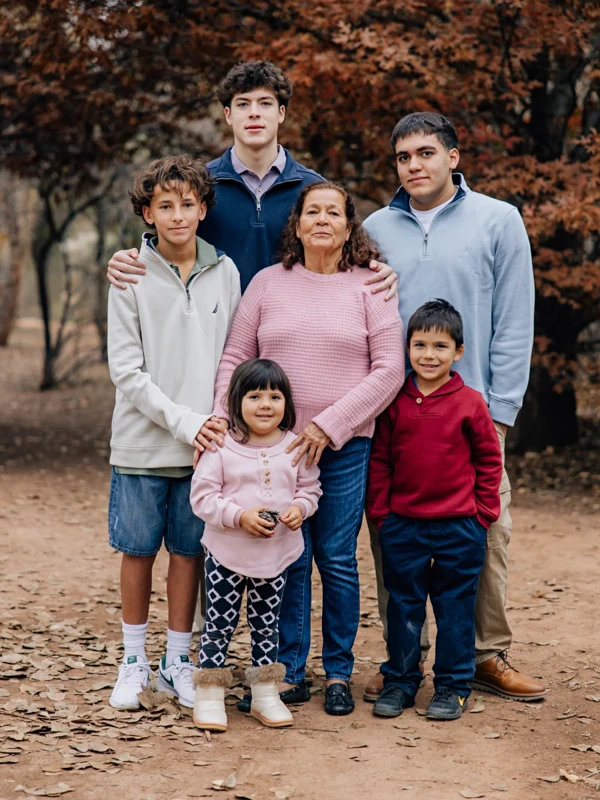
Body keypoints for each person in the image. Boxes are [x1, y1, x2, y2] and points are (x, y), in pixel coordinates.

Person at [363, 111, 547, 702]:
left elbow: (516, 320)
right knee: (394, 537)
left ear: (453, 157)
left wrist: (499, 411)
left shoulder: (499, 220)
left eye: (425, 153)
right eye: (403, 157)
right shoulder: (373, 229)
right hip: (394, 416)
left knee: (487, 533)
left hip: (471, 413)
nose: (414, 165)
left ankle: (485, 655)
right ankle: (404, 660)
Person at [212, 181, 405, 716]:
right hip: (274, 451)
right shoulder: (268, 284)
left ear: (349, 226)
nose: (322, 220)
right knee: (288, 557)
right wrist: (225, 422)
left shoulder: (372, 286)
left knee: (337, 559)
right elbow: (235, 357)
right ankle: (290, 672)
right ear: (296, 224)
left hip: (344, 447)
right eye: (311, 212)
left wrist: (329, 425)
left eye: (333, 213)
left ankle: (338, 672)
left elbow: (390, 370)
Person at [106, 155, 241, 711]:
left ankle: (176, 662)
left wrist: (217, 426)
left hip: (205, 450)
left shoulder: (226, 272)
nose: (178, 214)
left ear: (204, 209)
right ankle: (133, 660)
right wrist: (189, 422)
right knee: (138, 551)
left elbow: (232, 356)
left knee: (189, 553)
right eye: (166, 205)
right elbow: (126, 371)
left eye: (188, 204)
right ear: (147, 212)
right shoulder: (130, 273)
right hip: (141, 442)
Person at [106, 60, 397, 304]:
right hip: (216, 340)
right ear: (228, 115)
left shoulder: (314, 191)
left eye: (265, 103)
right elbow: (169, 242)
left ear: (281, 113)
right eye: (243, 104)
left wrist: (376, 270)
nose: (254, 112)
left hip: (288, 338)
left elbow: (343, 258)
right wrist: (130, 259)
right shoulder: (197, 188)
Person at [367, 300, 502, 720]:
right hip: (403, 526)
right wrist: (382, 516)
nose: (429, 355)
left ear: (458, 352)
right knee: (403, 606)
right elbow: (381, 462)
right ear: (407, 348)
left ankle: (452, 687)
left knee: (455, 609)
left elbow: (488, 461)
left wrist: (482, 515)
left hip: (459, 527)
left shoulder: (470, 403)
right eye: (420, 345)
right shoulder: (395, 402)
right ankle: (402, 682)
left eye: (440, 347)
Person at [190, 359, 322, 731]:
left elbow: (310, 489)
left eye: (274, 396)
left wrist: (300, 508)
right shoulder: (221, 447)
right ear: (236, 402)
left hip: (275, 557)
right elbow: (202, 497)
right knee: (219, 623)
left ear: (287, 403)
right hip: (226, 555)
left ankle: (266, 693)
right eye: (254, 396)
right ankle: (210, 695)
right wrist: (239, 516)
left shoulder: (294, 446)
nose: (265, 404)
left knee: (267, 625)